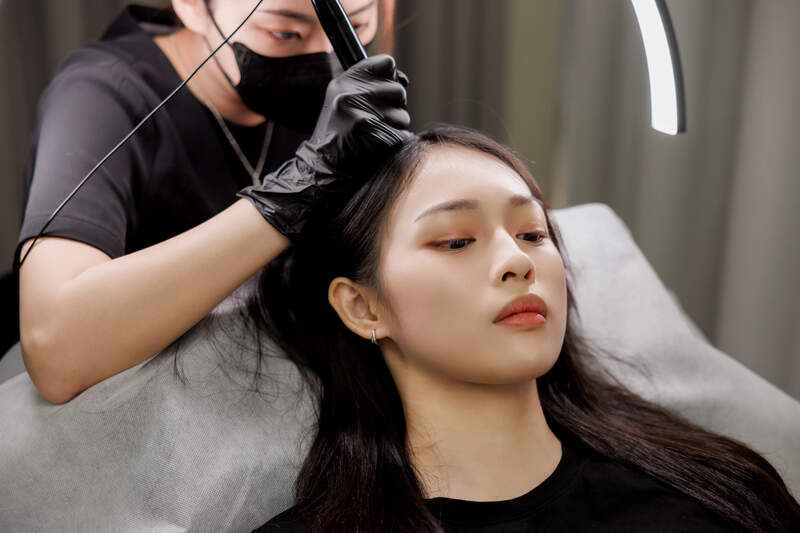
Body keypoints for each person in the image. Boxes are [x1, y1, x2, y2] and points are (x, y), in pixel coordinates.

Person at [243, 125, 800, 532]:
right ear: (363, 308)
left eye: (533, 234)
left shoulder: (712, 497)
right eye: (456, 241)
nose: (518, 261)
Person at [15, 0, 407, 404]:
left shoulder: (352, 102)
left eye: (354, 24)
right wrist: (295, 192)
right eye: (285, 33)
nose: (326, 60)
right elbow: (56, 349)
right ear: (192, 6)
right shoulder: (96, 96)